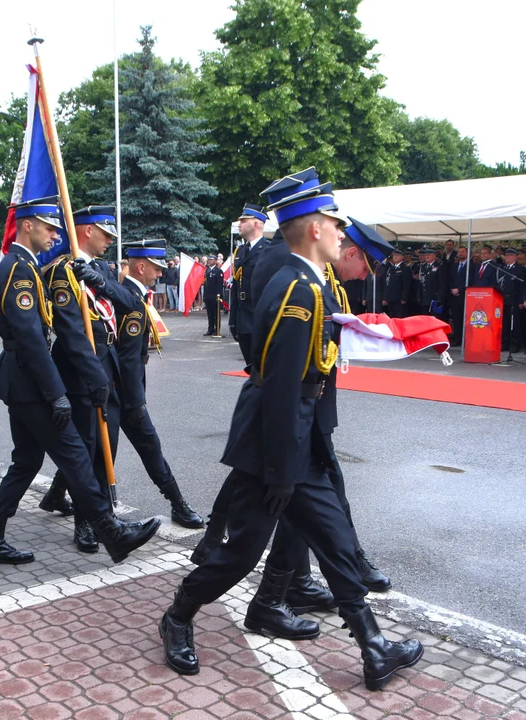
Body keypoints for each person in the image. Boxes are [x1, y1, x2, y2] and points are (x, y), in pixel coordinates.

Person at [159, 170, 423, 688]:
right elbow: (280, 386)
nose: (342, 234)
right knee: (243, 552)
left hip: (297, 440)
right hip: (275, 446)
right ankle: (178, 616)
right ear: (313, 229)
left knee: (335, 538)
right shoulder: (298, 289)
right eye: (334, 224)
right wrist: (282, 470)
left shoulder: (309, 281)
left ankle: (372, 646)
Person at [0, 195, 161, 565]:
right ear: (27, 225)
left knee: (27, 461)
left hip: (25, 379)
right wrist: (57, 393)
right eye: (48, 227)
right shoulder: (18, 269)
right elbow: (30, 340)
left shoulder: (23, 267)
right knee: (76, 456)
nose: (55, 235)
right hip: (31, 381)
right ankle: (111, 530)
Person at [39, 205, 141, 552]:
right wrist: (94, 376)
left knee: (106, 444)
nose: (110, 241)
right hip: (80, 369)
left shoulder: (100, 269)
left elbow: (131, 303)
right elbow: (70, 332)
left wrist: (101, 284)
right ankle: (85, 522)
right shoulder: (60, 270)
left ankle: (102, 515)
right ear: (85, 231)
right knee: (86, 448)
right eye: (105, 234)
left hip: (106, 363)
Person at [110, 240, 204, 528]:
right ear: (141, 266)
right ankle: (177, 503)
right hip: (124, 395)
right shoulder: (132, 302)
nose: (161, 273)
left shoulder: (132, 296)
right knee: (142, 447)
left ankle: (56, 495)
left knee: (100, 450)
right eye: (156, 268)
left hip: (117, 391)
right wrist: (136, 402)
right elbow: (128, 360)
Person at [232, 204, 269, 363]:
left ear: (255, 224)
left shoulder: (269, 250)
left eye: (243, 220)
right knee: (251, 368)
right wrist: (233, 320)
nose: (239, 224)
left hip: (259, 317)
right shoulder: (240, 251)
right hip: (243, 318)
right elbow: (236, 287)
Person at [497, 248, 526, 352]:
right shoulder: (503, 268)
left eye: (510, 255)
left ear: (515, 257)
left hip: (515, 299)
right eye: (506, 255)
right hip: (503, 299)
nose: (507, 257)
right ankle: (505, 342)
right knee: (504, 323)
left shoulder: (520, 269)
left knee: (515, 323)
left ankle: (515, 343)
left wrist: (521, 300)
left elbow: (523, 286)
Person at [416, 245, 447, 319]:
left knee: (434, 317)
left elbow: (442, 283)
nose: (427, 256)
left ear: (434, 256)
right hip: (424, 297)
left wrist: (440, 298)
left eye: (429, 255)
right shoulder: (423, 267)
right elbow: (421, 282)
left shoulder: (439, 266)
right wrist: (419, 295)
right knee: (425, 318)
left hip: (434, 297)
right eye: (426, 255)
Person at [446, 247, 469, 345]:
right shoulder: (454, 266)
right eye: (459, 252)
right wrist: (453, 289)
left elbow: (470, 280)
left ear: (467, 253)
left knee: (465, 319)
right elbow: (450, 279)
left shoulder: (471, 266)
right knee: (456, 318)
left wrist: (459, 289)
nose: (460, 254)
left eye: (463, 252)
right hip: (454, 295)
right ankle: (457, 338)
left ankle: (466, 339)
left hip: (465, 295)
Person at [203, 254, 224, 336]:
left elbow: (219, 285)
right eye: (209, 259)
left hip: (215, 296)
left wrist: (218, 296)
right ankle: (210, 328)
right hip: (208, 296)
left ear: (215, 261)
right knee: (210, 314)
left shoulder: (218, 271)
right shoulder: (207, 271)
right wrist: (205, 295)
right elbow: (205, 285)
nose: (209, 261)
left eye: (211, 259)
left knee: (216, 314)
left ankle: (217, 329)